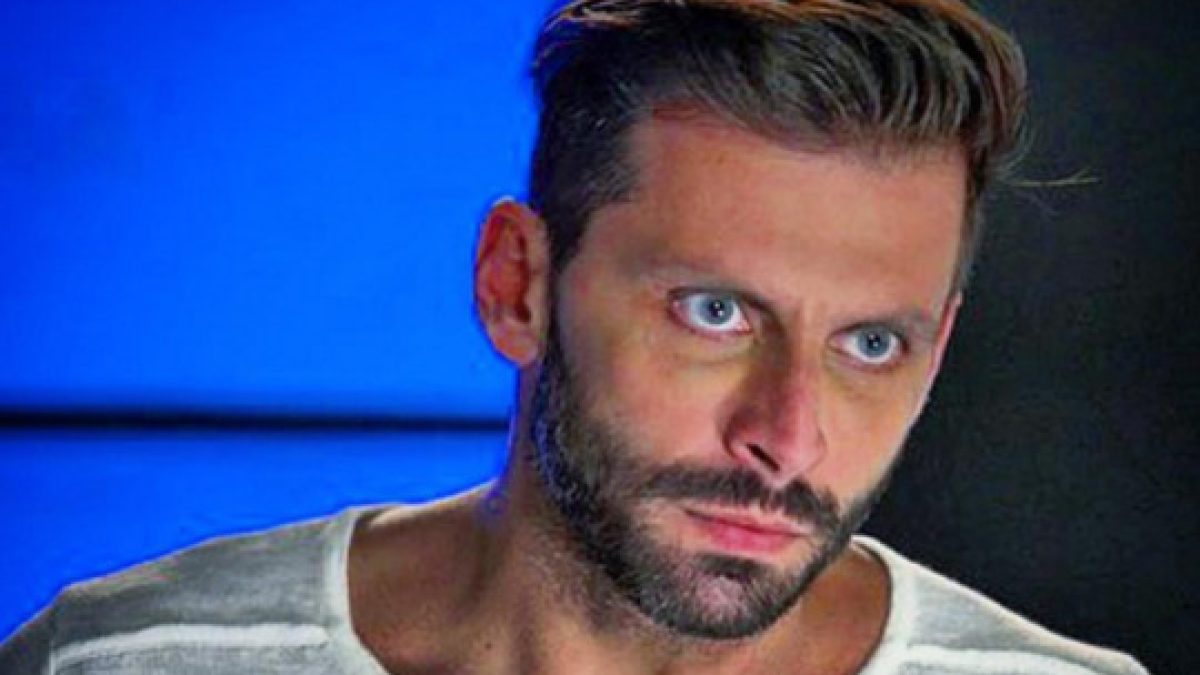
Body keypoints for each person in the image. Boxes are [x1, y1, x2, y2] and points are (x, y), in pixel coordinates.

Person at [0, 1, 1149, 673]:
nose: (787, 437)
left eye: (870, 346)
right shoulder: (126, 660)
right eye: (715, 312)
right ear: (517, 286)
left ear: (937, 350)